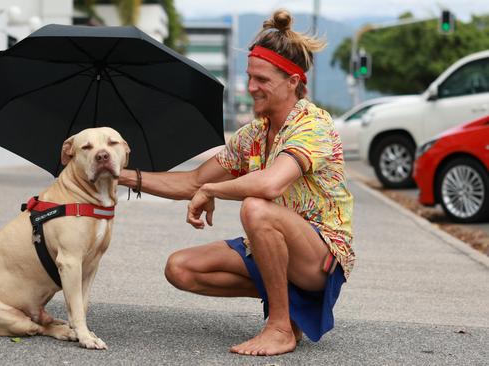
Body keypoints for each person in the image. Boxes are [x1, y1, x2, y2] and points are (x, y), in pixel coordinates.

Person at [119, 9, 354, 356]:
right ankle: (289, 309)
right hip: (276, 246)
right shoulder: (254, 134)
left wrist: (212, 190)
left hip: (321, 257)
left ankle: (279, 328)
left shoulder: (313, 126)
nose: (251, 87)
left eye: (262, 80)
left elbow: (270, 184)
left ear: (292, 81)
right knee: (181, 268)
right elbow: (193, 180)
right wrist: (117, 175)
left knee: (257, 208)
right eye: (249, 77)